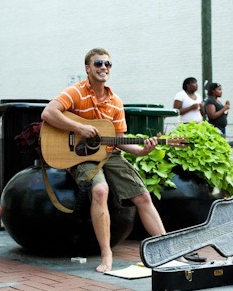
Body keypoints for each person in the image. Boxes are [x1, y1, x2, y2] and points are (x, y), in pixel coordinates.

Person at [41, 48, 166, 273]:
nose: (104, 67)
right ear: (87, 68)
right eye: (98, 63)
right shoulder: (76, 92)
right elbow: (48, 113)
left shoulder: (115, 101)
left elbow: (118, 139)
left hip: (109, 154)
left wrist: (142, 151)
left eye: (108, 64)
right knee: (100, 190)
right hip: (81, 156)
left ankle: (168, 250)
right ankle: (106, 254)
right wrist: (79, 127)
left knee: (143, 196)